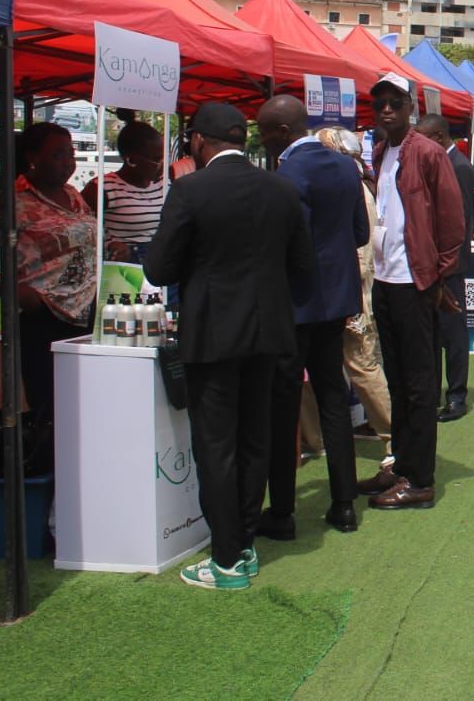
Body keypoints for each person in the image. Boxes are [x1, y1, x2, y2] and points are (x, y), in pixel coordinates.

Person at [143, 104, 314, 589]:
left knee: (215, 447)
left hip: (213, 334)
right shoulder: (280, 188)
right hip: (268, 334)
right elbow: (303, 268)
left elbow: (158, 268)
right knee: (254, 441)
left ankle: (225, 558)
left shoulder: (191, 189)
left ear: (198, 141)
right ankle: (242, 545)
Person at [252, 96, 368, 540]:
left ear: (282, 132)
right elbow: (359, 233)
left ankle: (281, 511)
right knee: (334, 399)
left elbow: (285, 244)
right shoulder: (344, 167)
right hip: (336, 301)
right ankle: (343, 505)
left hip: (296, 305)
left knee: (284, 406)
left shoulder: (287, 175)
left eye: (263, 131)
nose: (260, 139)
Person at [358, 76, 465, 509]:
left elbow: (452, 221)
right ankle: (401, 464)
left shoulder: (427, 152)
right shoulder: (384, 151)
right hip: (386, 278)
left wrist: (438, 277)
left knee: (420, 384)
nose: (386, 110)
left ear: (410, 106)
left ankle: (419, 478)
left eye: (394, 103)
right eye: (379, 103)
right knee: (399, 380)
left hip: (414, 281)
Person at [0, 122, 94, 424]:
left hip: (87, 313)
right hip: (44, 316)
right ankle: (49, 466)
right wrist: (5, 287)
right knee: (51, 405)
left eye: (71, 154)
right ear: (32, 157)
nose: (68, 163)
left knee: (84, 403)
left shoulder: (72, 194)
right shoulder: (10, 202)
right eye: (57, 155)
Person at [316, 126, 395, 458]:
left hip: (352, 296)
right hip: (341, 293)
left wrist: (349, 294)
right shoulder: (350, 185)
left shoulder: (355, 190)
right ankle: (315, 438)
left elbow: (363, 253)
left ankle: (394, 436)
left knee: (363, 366)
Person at [414, 115, 474, 422]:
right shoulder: (438, 163)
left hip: (450, 265)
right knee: (434, 332)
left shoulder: (460, 167)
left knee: (452, 332)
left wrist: (448, 264)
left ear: (438, 137)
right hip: (431, 264)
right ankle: (436, 392)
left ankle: (456, 396)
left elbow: (460, 222)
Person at [79, 120, 165, 262]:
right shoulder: (102, 188)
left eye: (163, 157)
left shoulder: (164, 183)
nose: (162, 163)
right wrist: (109, 244)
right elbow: (83, 228)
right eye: (156, 159)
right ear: (131, 160)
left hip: (160, 263)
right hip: (126, 269)